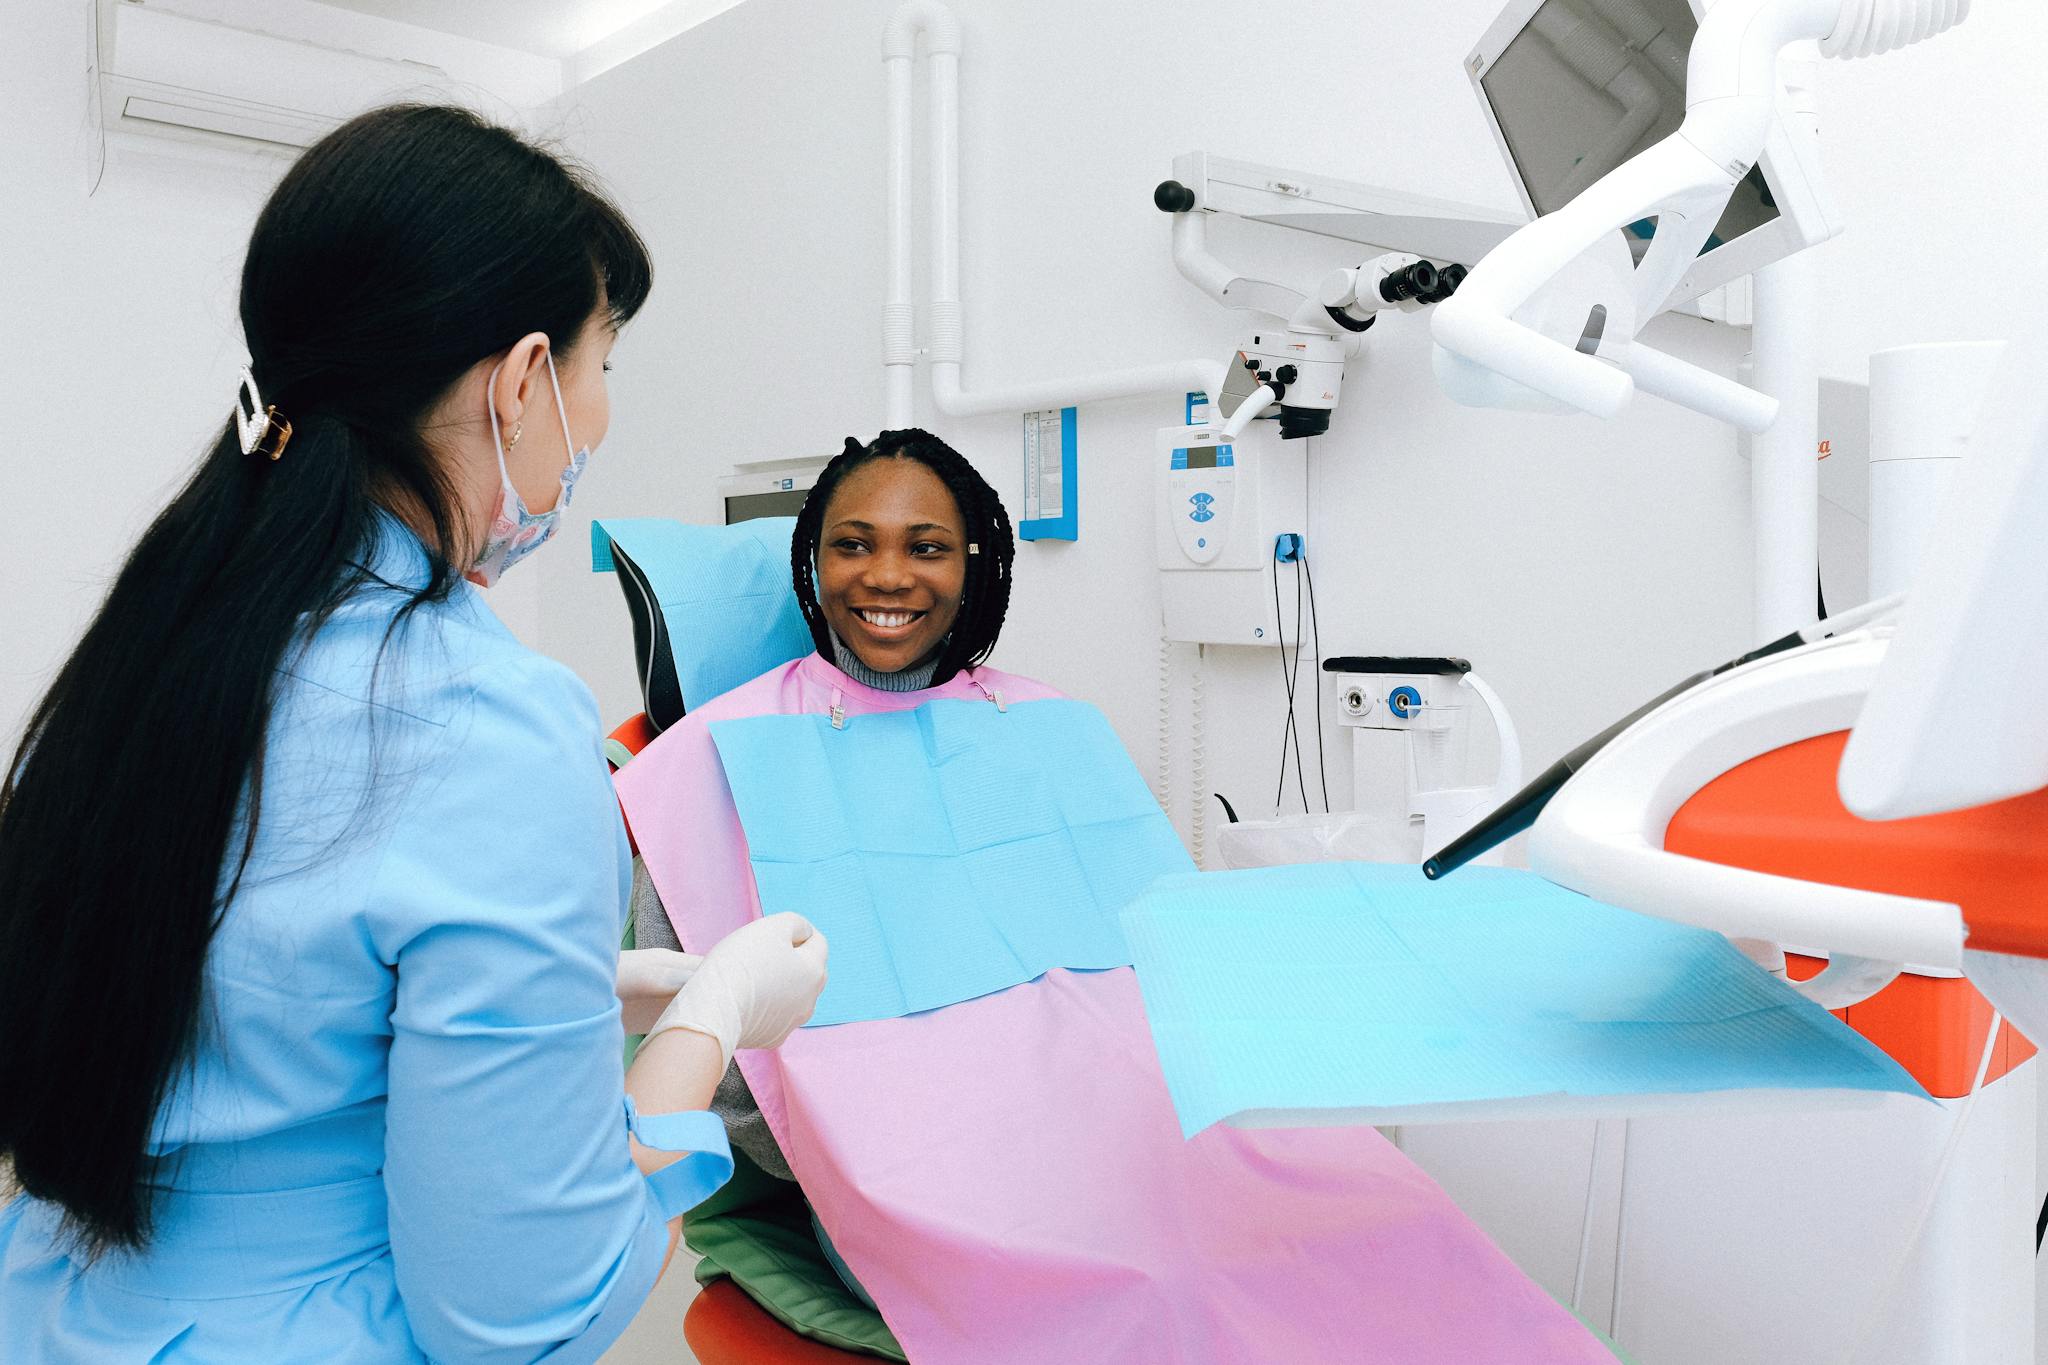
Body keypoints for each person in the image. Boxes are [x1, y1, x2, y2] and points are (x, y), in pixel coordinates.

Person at [0, 104, 826, 1363]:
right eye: (605, 365)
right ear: (521, 380)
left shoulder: (178, 643)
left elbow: (245, 962)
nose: (598, 416)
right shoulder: (492, 724)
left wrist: (545, 991)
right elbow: (521, 1314)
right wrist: (707, 1023)